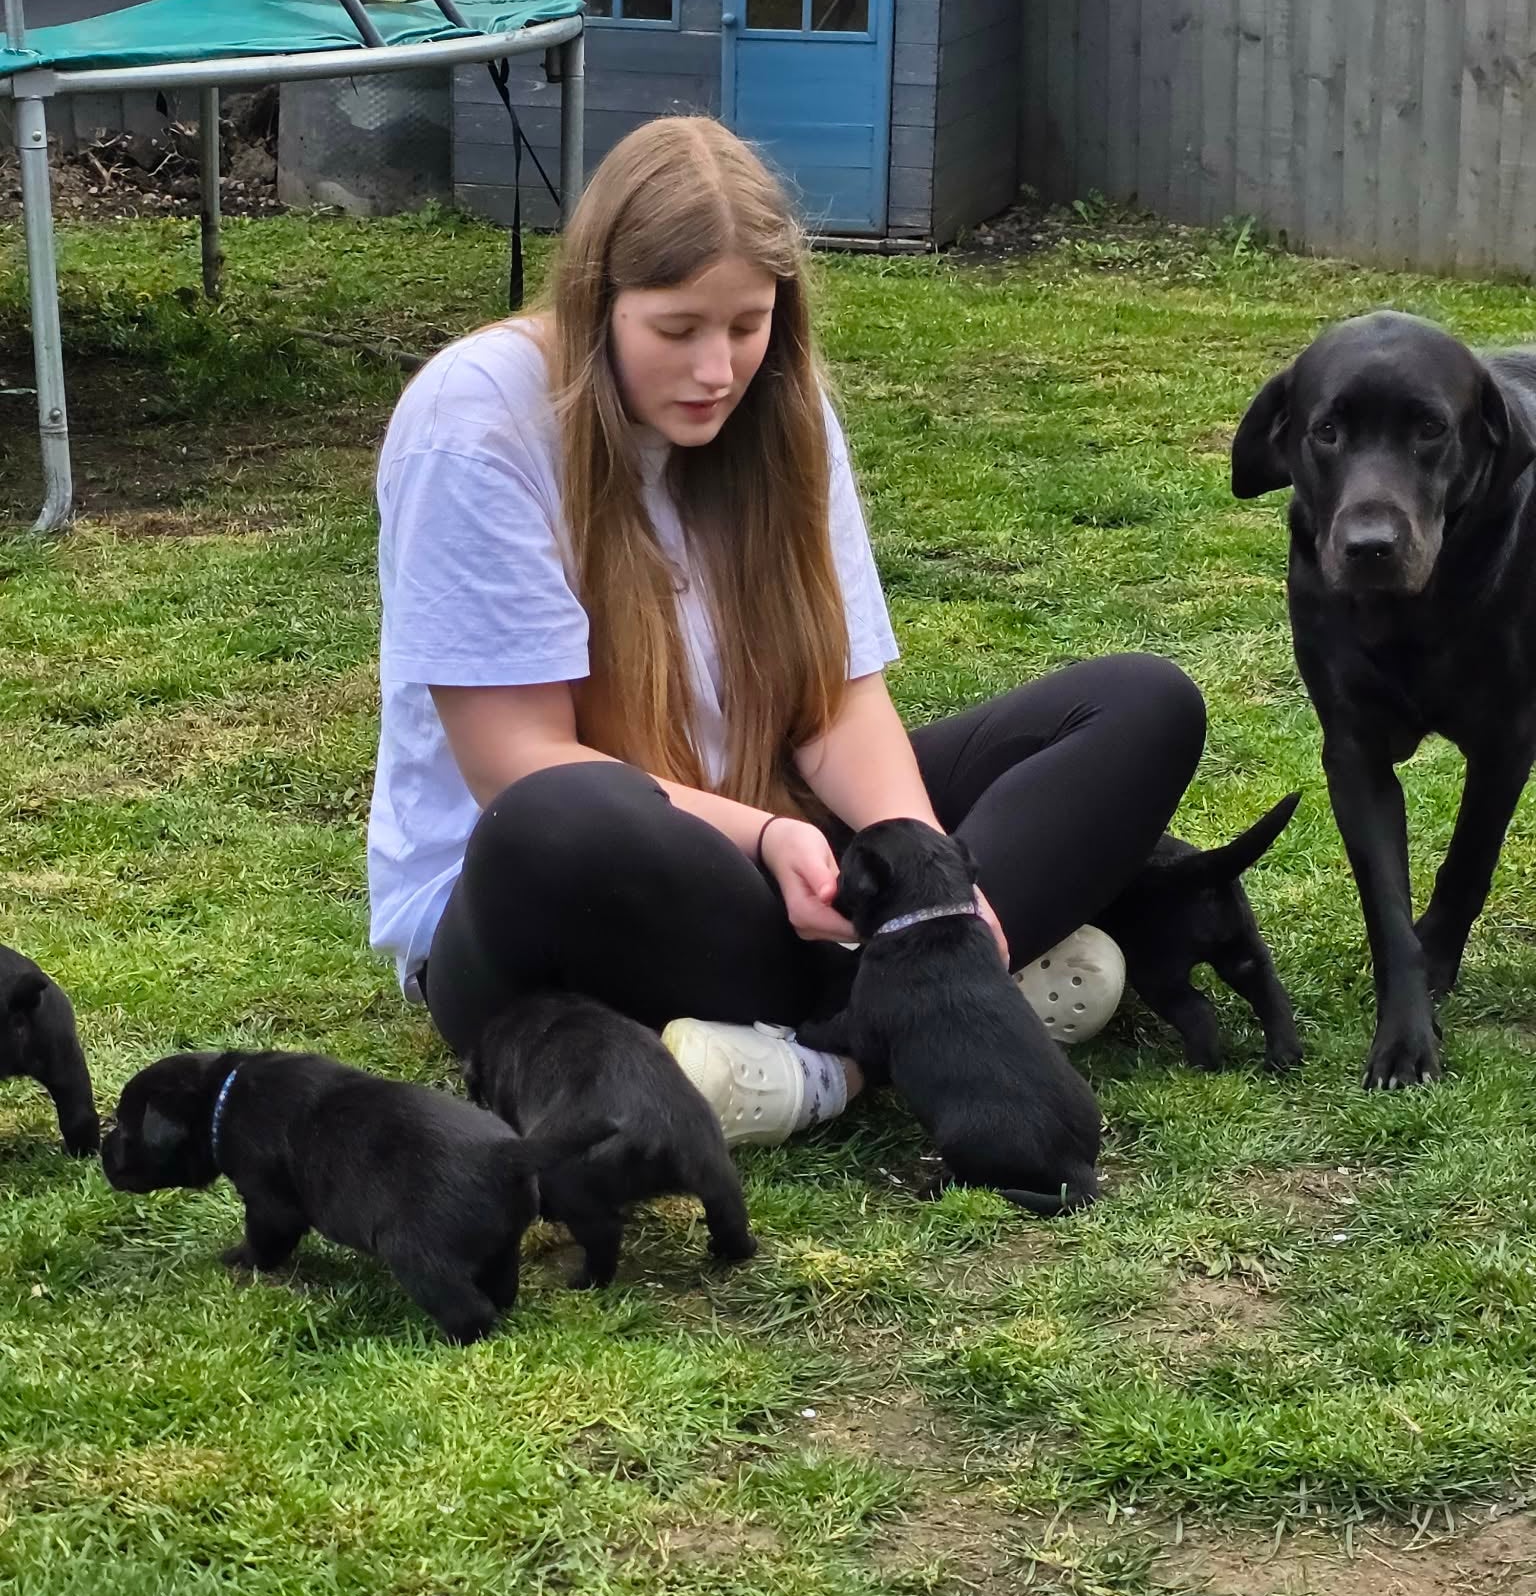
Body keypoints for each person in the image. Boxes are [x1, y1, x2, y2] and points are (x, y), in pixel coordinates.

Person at [367, 115, 1206, 1147]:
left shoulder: (780, 398)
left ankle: (859, 1030)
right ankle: (920, 1024)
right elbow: (513, 761)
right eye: (676, 330)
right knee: (563, 813)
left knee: (1139, 704)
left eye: (746, 325)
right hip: (568, 892)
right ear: (596, 304)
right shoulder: (475, 417)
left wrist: (923, 880)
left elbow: (835, 696)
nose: (718, 369)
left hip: (785, 835)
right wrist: (766, 838)